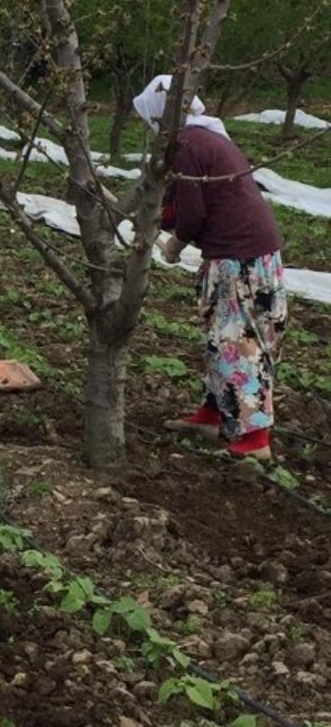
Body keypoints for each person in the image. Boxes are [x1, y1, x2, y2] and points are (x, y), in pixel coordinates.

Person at [135, 74, 286, 463]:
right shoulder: (206, 137)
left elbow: (193, 213)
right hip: (252, 251)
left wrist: (176, 242)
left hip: (240, 257)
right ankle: (213, 413)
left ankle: (255, 438)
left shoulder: (186, 146)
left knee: (238, 341)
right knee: (223, 337)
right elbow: (185, 201)